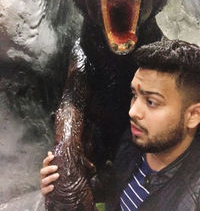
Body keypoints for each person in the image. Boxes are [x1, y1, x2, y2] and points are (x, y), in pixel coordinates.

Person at [40, 39, 200, 210]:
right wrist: (70, 184)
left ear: (193, 115)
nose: (133, 112)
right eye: (134, 95)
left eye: (152, 102)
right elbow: (114, 185)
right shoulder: (134, 141)